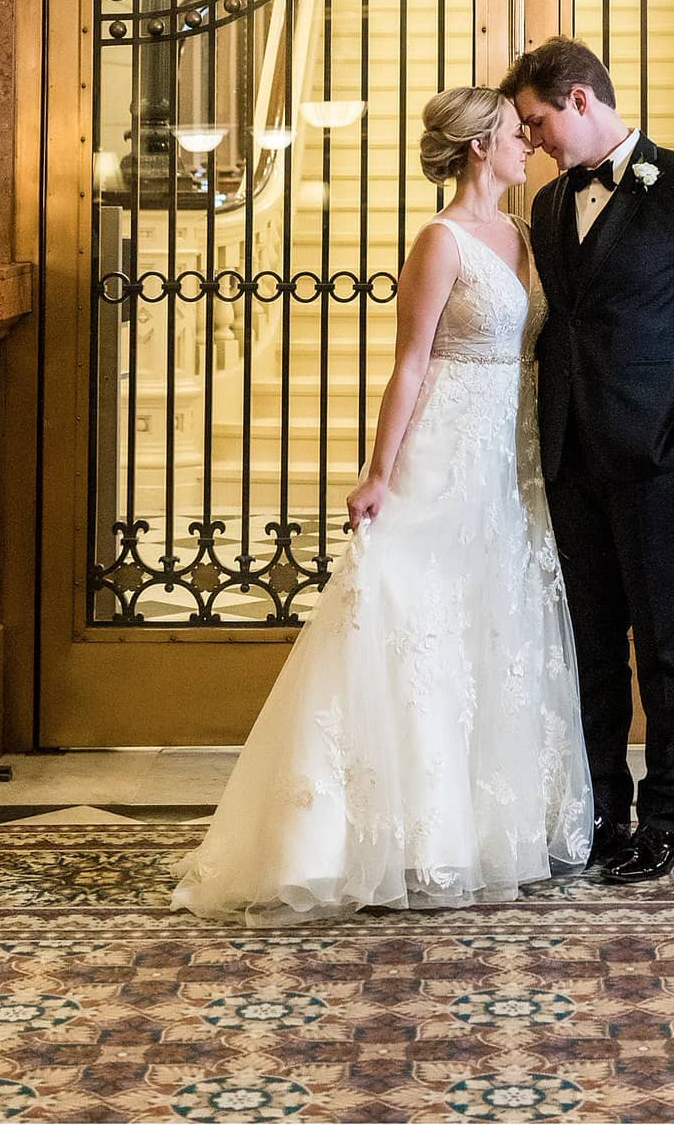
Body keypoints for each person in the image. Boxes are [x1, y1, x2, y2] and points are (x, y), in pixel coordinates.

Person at [169, 86, 593, 922]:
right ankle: (382, 837)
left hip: (512, 453)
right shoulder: (440, 242)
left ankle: (482, 826)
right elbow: (410, 365)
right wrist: (378, 473)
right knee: (408, 620)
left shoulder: (528, 232)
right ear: (480, 147)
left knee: (492, 623)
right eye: (515, 134)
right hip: (443, 449)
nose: (528, 146)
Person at [500, 38, 674, 884]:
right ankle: (603, 808)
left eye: (537, 120)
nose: (531, 138)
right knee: (590, 644)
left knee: (666, 641)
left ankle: (669, 817)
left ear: (579, 100)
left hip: (657, 454)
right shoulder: (545, 207)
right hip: (571, 448)